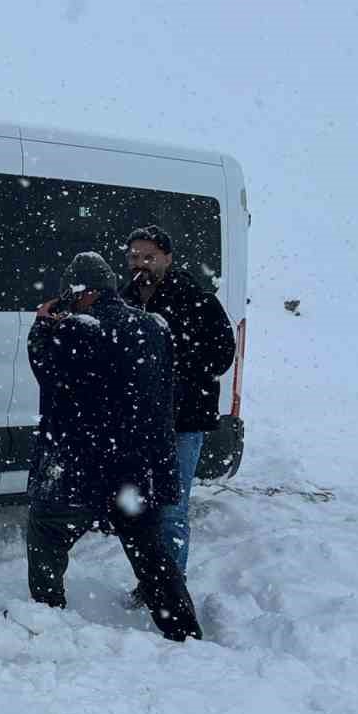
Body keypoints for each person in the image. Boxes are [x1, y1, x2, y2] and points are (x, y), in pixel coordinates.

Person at [24, 251, 202, 641]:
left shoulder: (76, 329)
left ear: (82, 293)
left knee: (47, 532)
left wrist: (41, 326)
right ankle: (183, 631)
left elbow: (46, 371)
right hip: (138, 469)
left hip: (83, 466)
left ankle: (46, 613)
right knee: (150, 553)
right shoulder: (153, 327)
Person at [120, 226, 237, 577]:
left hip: (182, 423)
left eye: (149, 257)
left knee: (172, 509)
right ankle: (151, 583)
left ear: (167, 259)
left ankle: (172, 591)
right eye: (134, 256)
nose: (140, 263)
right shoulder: (125, 301)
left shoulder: (196, 299)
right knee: (142, 509)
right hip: (139, 424)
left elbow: (222, 354)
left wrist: (177, 369)